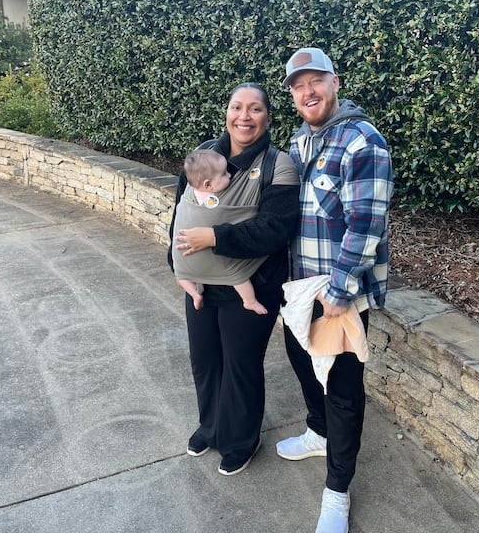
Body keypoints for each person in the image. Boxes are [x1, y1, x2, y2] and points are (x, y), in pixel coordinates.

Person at [276, 48, 394, 533]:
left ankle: (337, 493)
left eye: (316, 81)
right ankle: (317, 432)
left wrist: (342, 289)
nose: (308, 91)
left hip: (336, 292)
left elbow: (366, 223)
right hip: (301, 286)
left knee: (343, 390)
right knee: (301, 361)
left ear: (335, 83)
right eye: (298, 85)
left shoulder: (363, 141)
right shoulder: (299, 142)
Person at [168, 82, 300, 476]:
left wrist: (215, 237)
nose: (244, 116)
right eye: (237, 107)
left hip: (253, 281)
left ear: (268, 118)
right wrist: (177, 267)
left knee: (240, 365)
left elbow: (274, 231)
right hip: (203, 281)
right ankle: (210, 427)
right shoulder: (204, 156)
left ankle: (242, 438)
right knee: (205, 361)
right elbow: (182, 213)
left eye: (255, 109)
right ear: (226, 111)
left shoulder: (280, 165)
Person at [172, 148, 268, 315]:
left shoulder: (190, 195)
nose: (229, 175)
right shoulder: (213, 199)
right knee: (239, 278)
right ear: (208, 185)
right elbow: (235, 215)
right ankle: (250, 301)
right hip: (222, 267)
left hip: (184, 263)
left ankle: (195, 294)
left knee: (182, 277)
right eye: (224, 174)